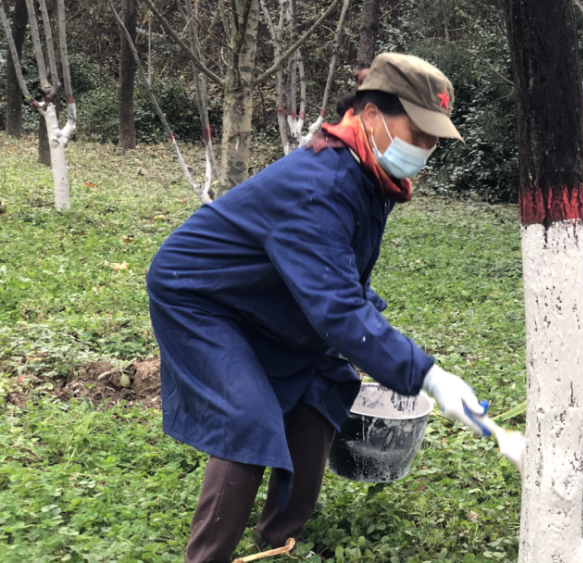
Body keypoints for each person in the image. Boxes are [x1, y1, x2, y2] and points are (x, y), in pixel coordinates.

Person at [146, 53, 485, 563]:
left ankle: (280, 540)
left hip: (270, 296)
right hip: (201, 295)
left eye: (435, 137)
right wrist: (428, 375)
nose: (427, 147)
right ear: (372, 116)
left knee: (326, 385)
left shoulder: (368, 175)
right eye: (417, 131)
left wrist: (372, 322)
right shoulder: (320, 185)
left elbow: (337, 275)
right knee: (249, 417)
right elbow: (337, 310)